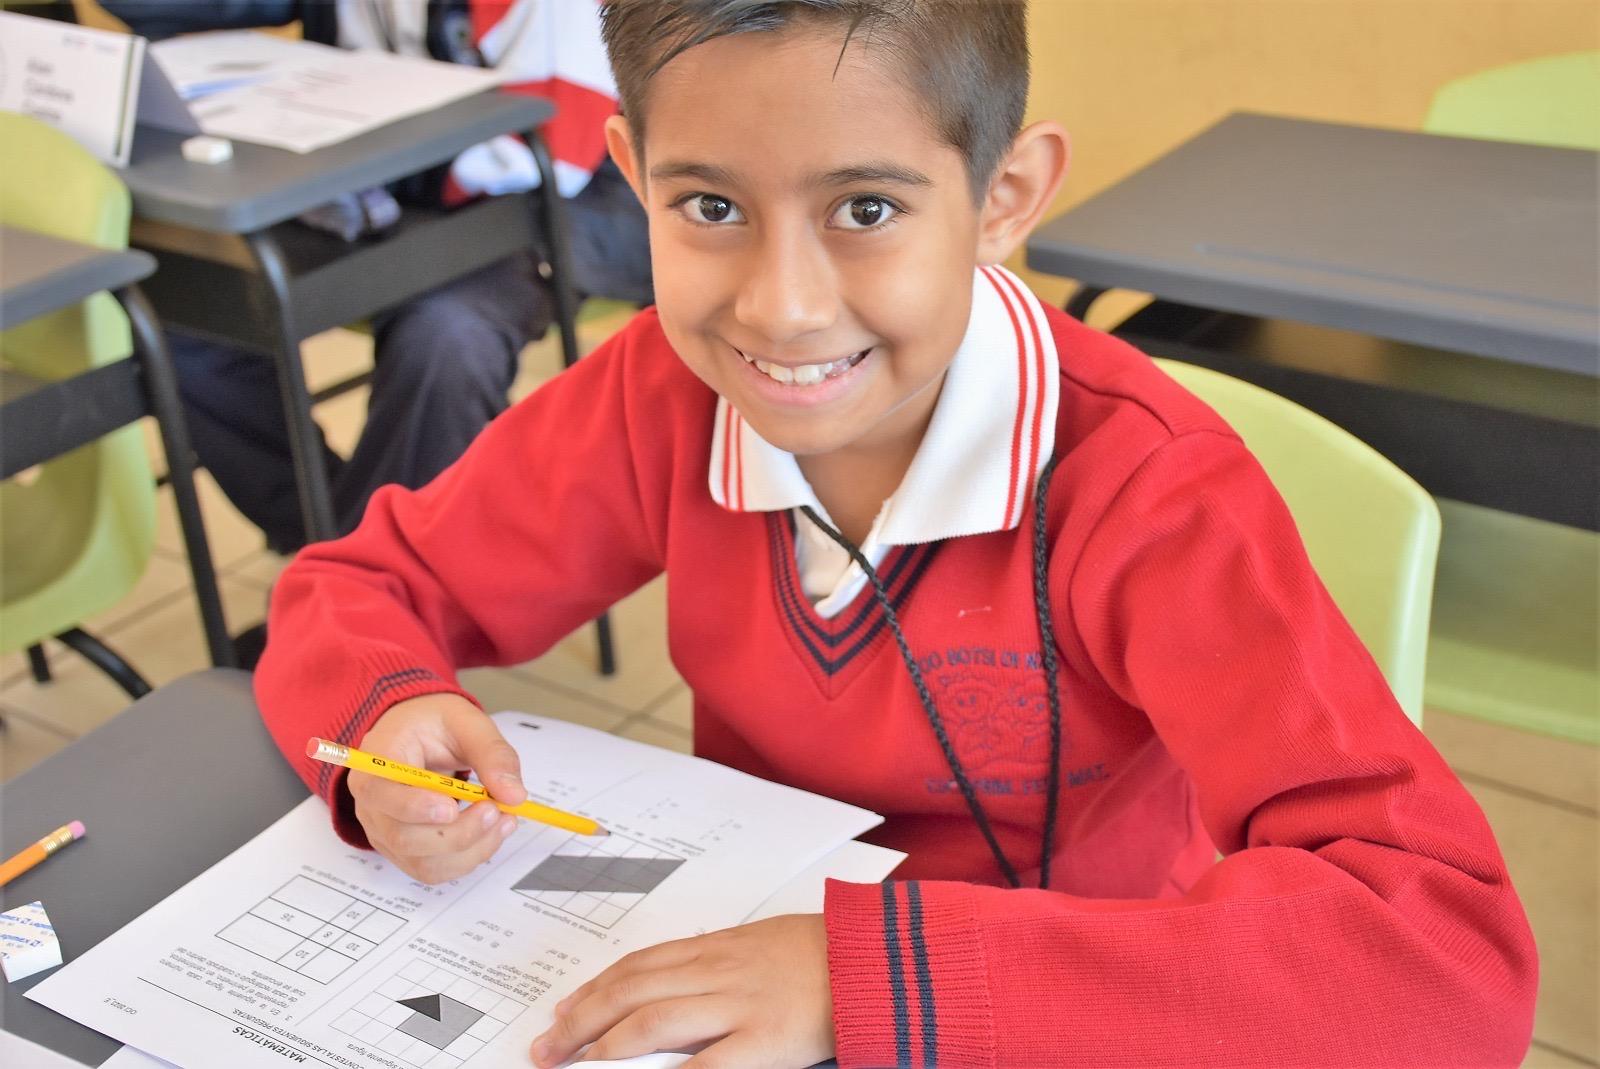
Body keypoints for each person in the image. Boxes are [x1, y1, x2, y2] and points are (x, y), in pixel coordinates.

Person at [254, 2, 1539, 1065]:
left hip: (1056, 1009)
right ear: (632, 176)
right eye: (708, 207)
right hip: (734, 968)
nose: (783, 306)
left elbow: (1444, 960)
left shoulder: (1144, 492)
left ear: (1003, 196)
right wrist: (384, 725)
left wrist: (858, 976)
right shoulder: (660, 390)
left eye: (865, 208)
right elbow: (361, 585)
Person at [104, 0, 652, 552]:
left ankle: (365, 589)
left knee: (445, 335)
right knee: (186, 312)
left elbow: (549, 156)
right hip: (378, 182)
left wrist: (362, 171)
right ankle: (335, 554)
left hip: (546, 206)